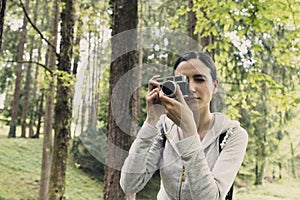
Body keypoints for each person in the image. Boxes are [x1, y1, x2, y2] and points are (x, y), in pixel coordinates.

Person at [120, 51, 248, 200]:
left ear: (215, 85)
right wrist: (151, 120)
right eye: (182, 81)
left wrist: (189, 132)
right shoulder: (164, 129)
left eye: (199, 79)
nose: (191, 88)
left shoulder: (232, 135)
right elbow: (130, 184)